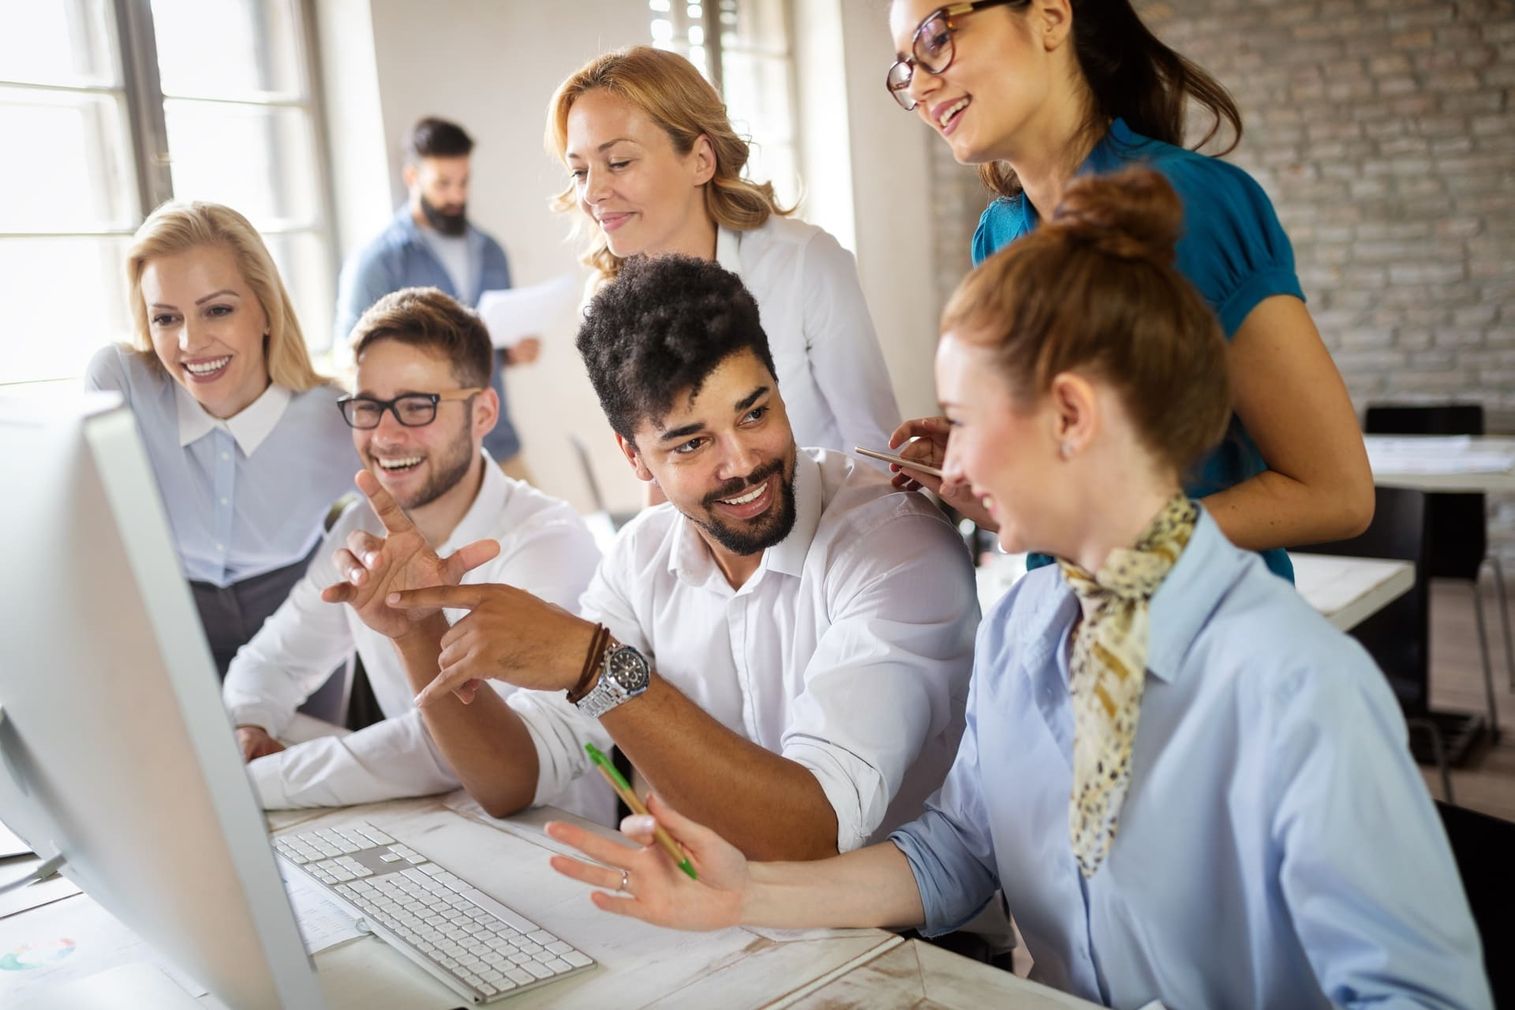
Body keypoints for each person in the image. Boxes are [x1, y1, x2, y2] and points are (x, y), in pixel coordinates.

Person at [541, 170, 1491, 1010]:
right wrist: (744, 895)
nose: (938, 455)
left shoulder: (1296, 686)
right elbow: (955, 852)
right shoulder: (1029, 622)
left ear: (1069, 417)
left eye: (960, 419)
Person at [322, 254, 978, 861]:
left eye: (754, 414)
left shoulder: (895, 541)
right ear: (634, 458)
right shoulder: (641, 555)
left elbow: (814, 830)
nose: (742, 463)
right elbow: (511, 780)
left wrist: (596, 668)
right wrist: (417, 634)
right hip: (730, 929)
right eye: (690, 445)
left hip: (910, 946)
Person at [882, 0, 1373, 581]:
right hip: (1072, 634)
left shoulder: (1195, 205)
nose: (922, 85)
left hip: (1205, 637)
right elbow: (1068, 514)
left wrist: (1126, 537)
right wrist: (988, 474)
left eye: (936, 37)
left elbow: (1335, 493)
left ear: (1049, 16)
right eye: (906, 68)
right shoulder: (999, 237)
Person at [221, 287, 607, 819]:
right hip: (422, 824)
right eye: (368, 407)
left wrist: (252, 784)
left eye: (415, 406)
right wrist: (248, 726)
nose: (384, 435)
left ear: (484, 413)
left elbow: (450, 750)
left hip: (548, 843)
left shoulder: (548, 543)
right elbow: (270, 662)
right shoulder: (360, 525)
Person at [547, 46, 900, 459]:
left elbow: (879, 455)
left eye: (619, 162)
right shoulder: (606, 301)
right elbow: (659, 472)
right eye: (580, 171)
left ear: (700, 160)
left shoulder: (804, 263)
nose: (592, 193)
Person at [86, 201, 353, 678]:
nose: (191, 342)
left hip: (296, 621)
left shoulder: (334, 418)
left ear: (266, 311)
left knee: (291, 752)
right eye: (166, 318)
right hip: (171, 617)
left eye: (218, 310)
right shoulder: (120, 383)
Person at [334, 116, 537, 481]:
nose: (457, 196)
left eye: (463, 182)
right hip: (424, 451)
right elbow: (350, 358)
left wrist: (514, 353)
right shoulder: (378, 261)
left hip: (497, 441)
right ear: (412, 177)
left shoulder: (491, 251)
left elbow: (489, 348)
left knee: (545, 532)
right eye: (443, 183)